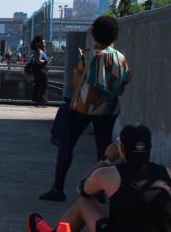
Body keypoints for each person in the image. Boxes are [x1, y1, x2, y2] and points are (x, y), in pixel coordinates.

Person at [27, 124, 171, 232]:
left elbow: (82, 188)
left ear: (121, 148)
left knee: (83, 203)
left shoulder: (109, 174)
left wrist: (106, 159)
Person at [40, 16, 131, 201]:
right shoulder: (120, 57)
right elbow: (125, 80)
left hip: (83, 107)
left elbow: (76, 81)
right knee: (103, 150)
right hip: (108, 109)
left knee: (67, 146)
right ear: (114, 35)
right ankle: (100, 191)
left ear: (95, 35)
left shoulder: (89, 55)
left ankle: (58, 188)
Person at [28, 35, 50, 106]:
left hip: (39, 70)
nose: (44, 44)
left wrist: (46, 60)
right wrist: (46, 61)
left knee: (39, 86)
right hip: (41, 71)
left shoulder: (38, 50)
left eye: (44, 43)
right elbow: (38, 60)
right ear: (38, 43)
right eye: (43, 43)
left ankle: (38, 101)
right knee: (43, 86)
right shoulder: (39, 51)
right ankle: (42, 102)